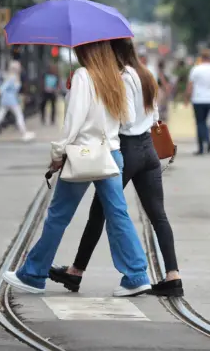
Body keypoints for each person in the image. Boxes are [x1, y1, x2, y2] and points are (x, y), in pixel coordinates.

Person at [3, 40, 152, 297]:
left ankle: (33, 274)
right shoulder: (117, 77)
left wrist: (58, 152)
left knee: (59, 215)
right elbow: (126, 119)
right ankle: (137, 275)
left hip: (83, 154)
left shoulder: (84, 75)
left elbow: (73, 121)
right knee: (118, 214)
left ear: (85, 50)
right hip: (111, 154)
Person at [49, 40, 183, 297]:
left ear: (115, 51)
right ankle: (173, 275)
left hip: (128, 149)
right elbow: (153, 116)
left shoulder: (123, 77)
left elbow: (127, 117)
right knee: (158, 216)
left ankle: (76, 271)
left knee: (100, 210)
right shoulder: (146, 74)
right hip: (149, 151)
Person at [0, 61, 35, 142]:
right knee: (19, 115)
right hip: (11, 100)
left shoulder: (12, 76)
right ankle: (24, 133)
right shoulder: (12, 77)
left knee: (0, 116)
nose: (20, 68)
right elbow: (4, 87)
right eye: (18, 67)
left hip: (6, 100)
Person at [184, 48, 210, 155]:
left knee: (200, 122)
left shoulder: (196, 69)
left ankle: (202, 146)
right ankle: (207, 140)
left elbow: (190, 85)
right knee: (205, 122)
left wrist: (186, 97)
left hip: (198, 98)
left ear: (201, 57)